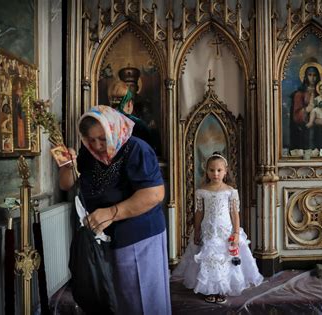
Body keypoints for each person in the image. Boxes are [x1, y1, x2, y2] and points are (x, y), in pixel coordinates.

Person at [58, 105, 171, 315]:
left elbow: (154, 194)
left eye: (102, 138)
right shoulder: (89, 152)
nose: (97, 145)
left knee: (141, 299)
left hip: (139, 235)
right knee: (115, 299)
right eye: (90, 139)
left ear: (114, 128)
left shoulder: (136, 149)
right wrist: (66, 165)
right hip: (105, 238)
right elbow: (67, 184)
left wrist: (110, 212)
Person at [172, 152, 263, 304]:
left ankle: (222, 289)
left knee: (225, 259)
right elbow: (199, 212)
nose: (215, 173)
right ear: (206, 171)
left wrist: (235, 232)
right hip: (208, 232)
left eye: (219, 170)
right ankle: (210, 289)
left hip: (225, 231)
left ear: (225, 171)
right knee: (209, 259)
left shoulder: (231, 191)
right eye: (212, 170)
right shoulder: (201, 191)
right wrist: (197, 231)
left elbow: (235, 214)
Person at [290, 64, 321, 150]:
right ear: (306, 76)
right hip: (304, 130)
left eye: (315, 75)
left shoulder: (321, 92)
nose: (312, 78)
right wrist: (307, 109)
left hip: (319, 128)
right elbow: (296, 116)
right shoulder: (299, 94)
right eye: (310, 75)